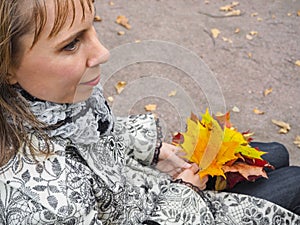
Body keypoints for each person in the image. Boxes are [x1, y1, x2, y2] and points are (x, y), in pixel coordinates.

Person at [0, 0, 299, 224]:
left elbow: (99, 134)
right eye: (71, 44)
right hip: (167, 210)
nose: (103, 52)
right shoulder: (40, 201)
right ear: (8, 65)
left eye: (92, 27)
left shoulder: (54, 94)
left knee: (275, 153)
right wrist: (184, 195)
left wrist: (154, 150)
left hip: (143, 187)